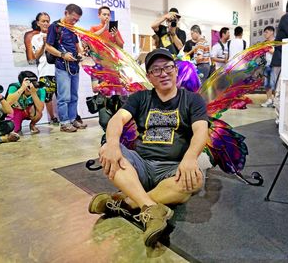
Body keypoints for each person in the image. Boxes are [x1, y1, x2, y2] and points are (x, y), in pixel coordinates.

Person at [88, 48, 209, 247]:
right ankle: (152, 207)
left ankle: (126, 204)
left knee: (194, 181)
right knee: (106, 152)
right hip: (141, 165)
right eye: (156, 70)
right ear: (149, 77)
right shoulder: (140, 98)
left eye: (168, 67)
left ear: (176, 70)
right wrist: (111, 144)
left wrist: (189, 158)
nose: (163, 73)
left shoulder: (192, 100)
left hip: (172, 168)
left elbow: (201, 131)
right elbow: (118, 119)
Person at [45, 3, 86, 132]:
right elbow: (48, 47)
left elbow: (76, 44)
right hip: (62, 66)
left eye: (77, 20)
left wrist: (80, 53)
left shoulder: (72, 29)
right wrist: (62, 55)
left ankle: (73, 119)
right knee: (64, 96)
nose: (74, 22)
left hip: (75, 66)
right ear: (66, 13)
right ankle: (64, 122)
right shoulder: (55, 27)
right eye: (73, 18)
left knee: (74, 95)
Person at [89, 6, 125, 132]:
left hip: (113, 65)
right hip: (100, 65)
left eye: (108, 15)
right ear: (99, 15)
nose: (106, 17)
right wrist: (104, 27)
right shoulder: (94, 28)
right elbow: (90, 38)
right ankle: (105, 120)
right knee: (101, 91)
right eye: (104, 14)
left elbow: (121, 45)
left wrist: (115, 35)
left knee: (118, 94)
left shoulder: (114, 30)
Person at [31, 12, 59, 125]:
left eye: (48, 21)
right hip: (45, 71)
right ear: (38, 23)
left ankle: (66, 118)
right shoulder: (35, 38)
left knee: (62, 95)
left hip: (59, 69)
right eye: (43, 21)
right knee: (48, 97)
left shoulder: (56, 35)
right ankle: (52, 118)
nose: (46, 23)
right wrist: (44, 44)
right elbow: (36, 56)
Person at [261, 26, 276, 108]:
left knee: (274, 84)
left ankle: (275, 101)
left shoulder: (277, 42)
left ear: (272, 32)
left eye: (266, 32)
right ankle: (269, 100)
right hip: (267, 65)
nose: (264, 34)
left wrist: (268, 49)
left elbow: (276, 53)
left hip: (275, 65)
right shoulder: (265, 42)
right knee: (267, 84)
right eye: (264, 32)